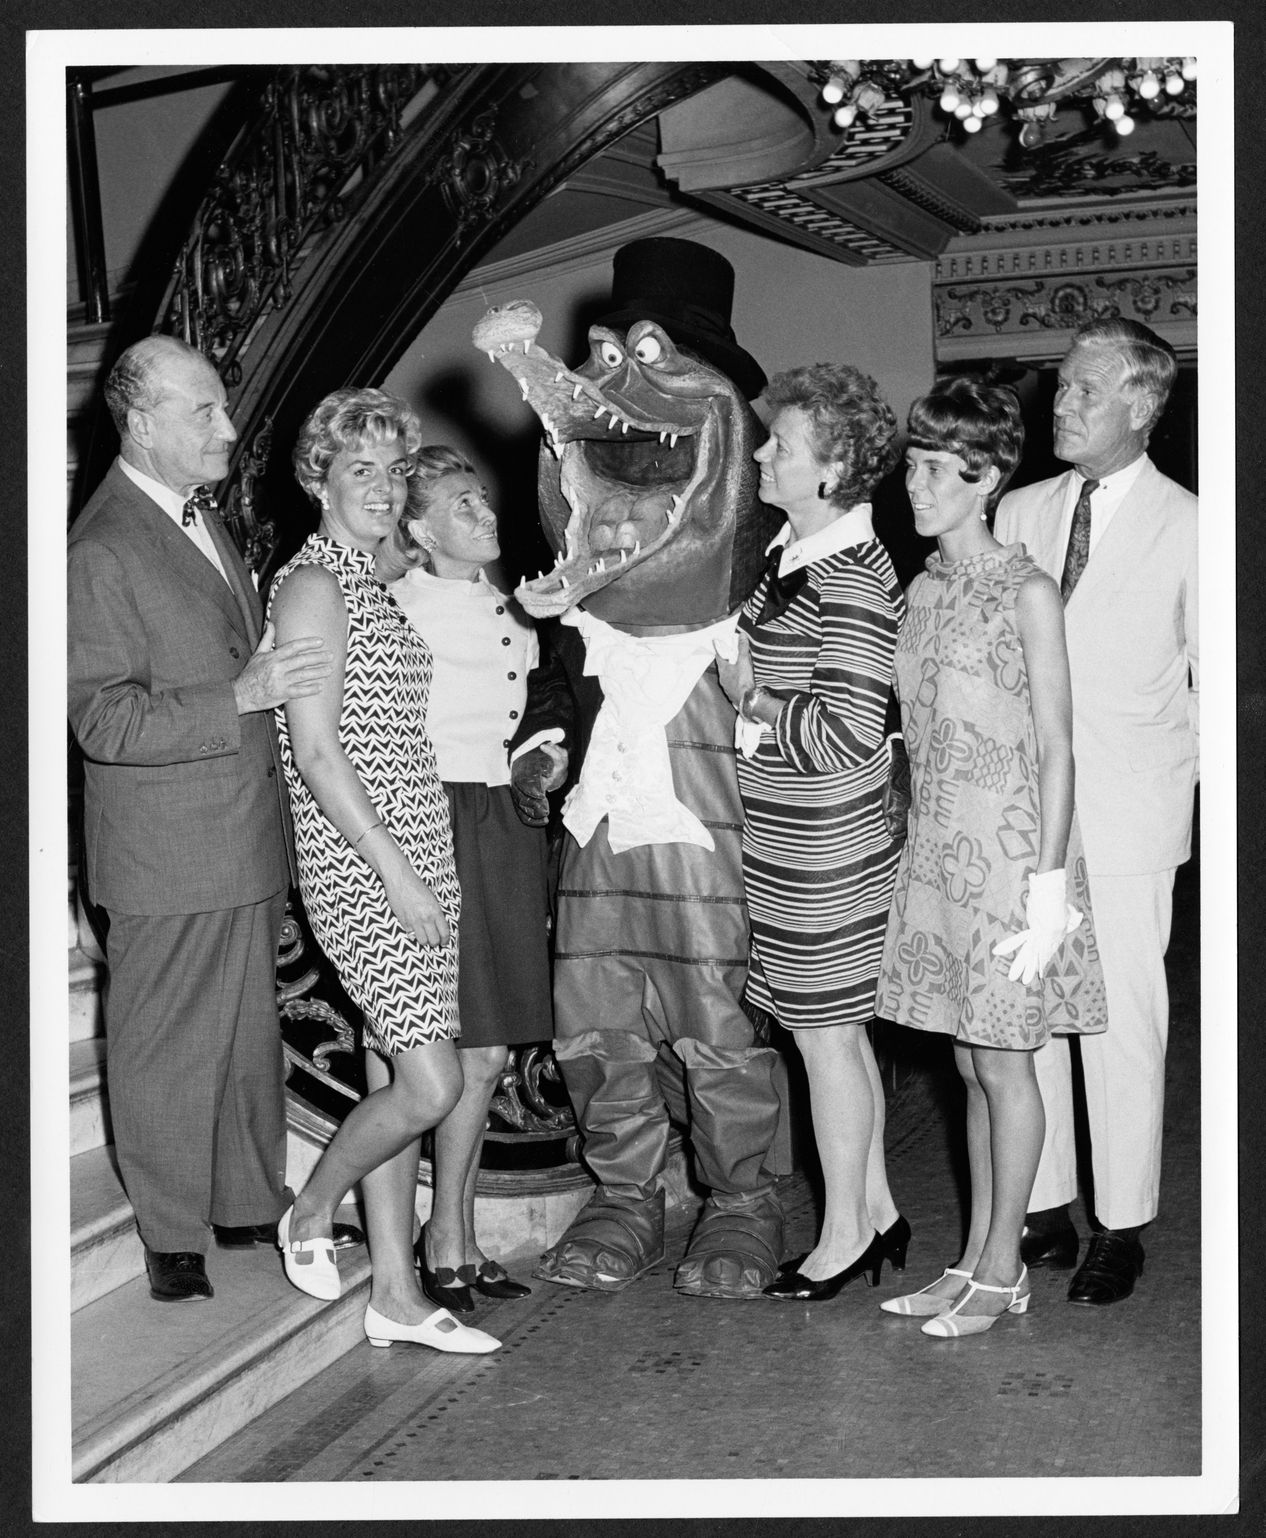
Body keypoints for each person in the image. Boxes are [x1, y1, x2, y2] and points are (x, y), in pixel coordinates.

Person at [67, 334, 336, 1302]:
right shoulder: (98, 547)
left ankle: (243, 1197)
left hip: (238, 834)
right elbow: (103, 717)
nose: (229, 426)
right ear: (142, 422)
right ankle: (172, 1230)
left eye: (222, 406)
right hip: (166, 850)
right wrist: (244, 692)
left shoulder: (197, 516)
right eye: (205, 411)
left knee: (243, 1034)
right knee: (167, 1040)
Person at [266, 388, 498, 1355]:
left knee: (392, 1065)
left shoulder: (364, 576)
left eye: (392, 470)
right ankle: (311, 1211)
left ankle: (396, 1296)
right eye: (357, 468)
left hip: (413, 846)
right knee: (431, 1084)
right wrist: (397, 872)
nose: (380, 487)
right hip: (366, 860)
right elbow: (317, 752)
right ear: (318, 479)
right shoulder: (314, 583)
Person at [874, 377, 1107, 1336]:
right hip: (938, 856)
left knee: (1008, 1067)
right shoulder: (922, 589)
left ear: (987, 478)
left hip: (1015, 862)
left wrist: (1049, 892)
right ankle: (972, 1256)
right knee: (973, 1064)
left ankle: (1006, 1267)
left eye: (934, 471)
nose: (915, 488)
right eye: (914, 468)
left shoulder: (1029, 589)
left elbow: (1057, 746)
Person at [994, 319, 1198, 1306]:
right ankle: (1043, 1199)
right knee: (1027, 1009)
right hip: (1021, 815)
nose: (1060, 404)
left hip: (1126, 811)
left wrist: (1181, 792)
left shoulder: (1193, 523)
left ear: (1142, 404)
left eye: (1081, 389)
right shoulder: (1019, 510)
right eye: (1061, 387)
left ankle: (1121, 1222)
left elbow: (1213, 686)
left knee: (1119, 1022)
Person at [715, 362, 910, 1301]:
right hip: (789, 838)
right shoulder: (793, 558)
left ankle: (839, 1238)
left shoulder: (857, 580)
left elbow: (843, 734)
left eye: (780, 445)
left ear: (829, 472)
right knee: (835, 1041)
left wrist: (752, 697)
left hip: (826, 844)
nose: (761, 453)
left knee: (825, 1041)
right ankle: (873, 1211)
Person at [378, 445, 569, 1312]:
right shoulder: (397, 607)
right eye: (462, 505)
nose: (486, 513)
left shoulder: (512, 602)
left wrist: (549, 746)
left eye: (483, 498)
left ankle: (450, 1232)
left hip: (505, 826)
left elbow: (542, 699)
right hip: (437, 820)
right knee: (460, 1051)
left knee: (489, 1052)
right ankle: (446, 1237)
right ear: (417, 529)